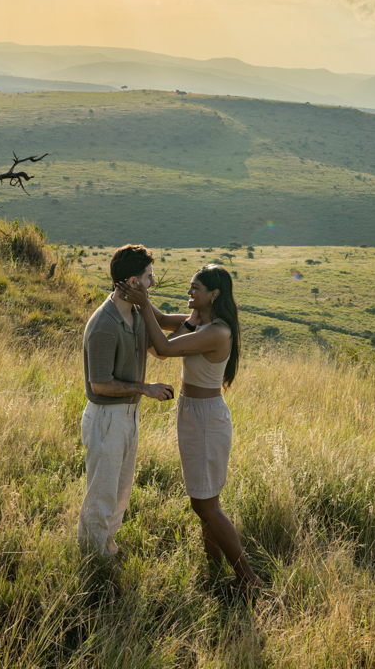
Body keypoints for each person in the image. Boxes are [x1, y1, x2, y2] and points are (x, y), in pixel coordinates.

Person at [117, 263, 261, 589]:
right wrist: (139, 293)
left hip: (207, 418)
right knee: (205, 499)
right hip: (192, 412)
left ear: (214, 294)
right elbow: (159, 322)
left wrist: (142, 300)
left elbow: (163, 349)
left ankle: (248, 578)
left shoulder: (217, 332)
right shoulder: (197, 321)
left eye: (195, 287)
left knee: (204, 503)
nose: (189, 292)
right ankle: (215, 572)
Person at [77, 243, 185, 556]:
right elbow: (99, 385)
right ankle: (93, 559)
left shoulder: (137, 313)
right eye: (149, 277)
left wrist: (203, 322)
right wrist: (145, 388)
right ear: (134, 283)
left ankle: (106, 549)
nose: (153, 283)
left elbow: (158, 346)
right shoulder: (103, 325)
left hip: (128, 417)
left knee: (121, 492)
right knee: (101, 495)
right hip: (106, 418)